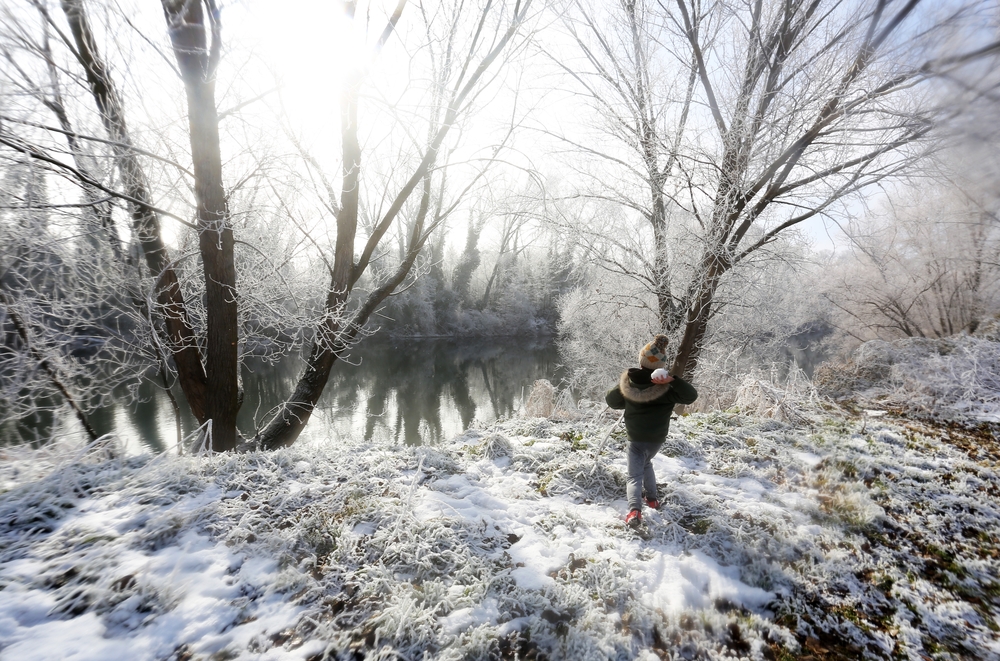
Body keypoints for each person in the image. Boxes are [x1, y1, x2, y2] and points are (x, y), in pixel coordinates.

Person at [605, 334, 698, 529]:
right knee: (647, 463)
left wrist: (624, 380)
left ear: (641, 361)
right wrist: (673, 380)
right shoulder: (667, 388)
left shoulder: (630, 384)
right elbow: (691, 396)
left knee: (633, 476)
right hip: (656, 440)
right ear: (660, 366)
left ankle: (634, 510)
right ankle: (653, 499)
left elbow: (612, 401)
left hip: (636, 439)